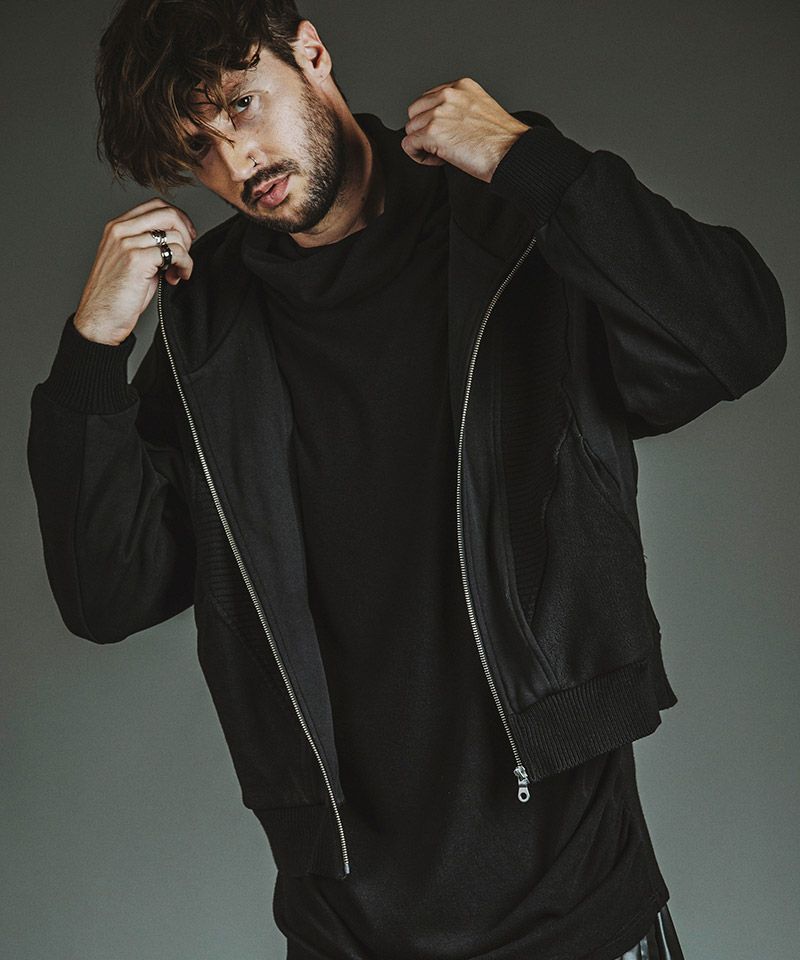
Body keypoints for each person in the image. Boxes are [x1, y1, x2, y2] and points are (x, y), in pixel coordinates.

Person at [26, 1, 786, 958]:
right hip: (345, 927)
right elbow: (108, 591)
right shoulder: (209, 317)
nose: (237, 160)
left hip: (577, 899)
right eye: (197, 150)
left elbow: (735, 337)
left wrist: (530, 161)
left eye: (242, 105)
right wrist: (93, 348)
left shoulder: (503, 219)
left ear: (310, 51)